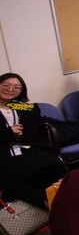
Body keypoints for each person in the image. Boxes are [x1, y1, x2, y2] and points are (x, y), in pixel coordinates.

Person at [0, 73, 66, 207]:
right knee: (22, 172)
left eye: (16, 87)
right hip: (3, 151)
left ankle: (63, 196)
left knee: (53, 163)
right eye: (5, 85)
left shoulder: (23, 107)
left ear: (21, 91)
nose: (10, 89)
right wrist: (9, 133)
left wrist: (21, 135)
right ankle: (44, 203)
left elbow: (34, 131)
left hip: (26, 147)